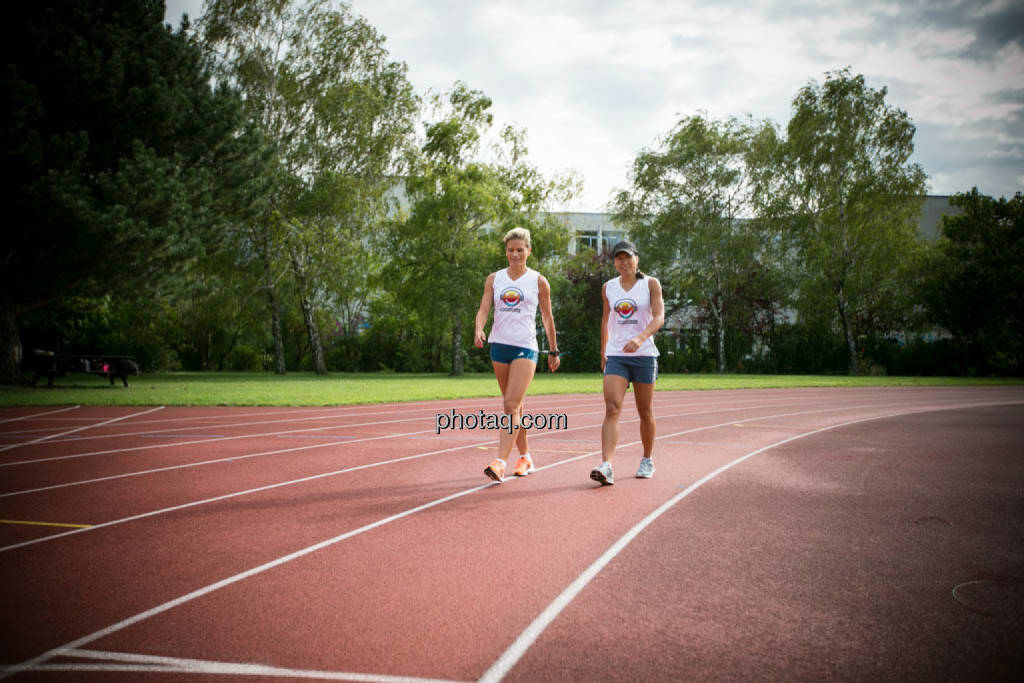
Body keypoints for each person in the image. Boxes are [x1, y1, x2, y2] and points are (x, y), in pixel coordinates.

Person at [474, 227, 560, 482]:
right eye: (511, 250)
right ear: (506, 252)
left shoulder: (538, 281)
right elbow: (483, 309)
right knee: (516, 407)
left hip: (525, 347)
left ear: (528, 251)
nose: (515, 254)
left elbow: (547, 317)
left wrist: (553, 350)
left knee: (510, 405)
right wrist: (479, 328)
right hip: (499, 346)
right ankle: (526, 457)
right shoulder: (494, 279)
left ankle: (499, 462)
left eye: (520, 250)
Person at [590, 240, 665, 485]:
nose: (624, 262)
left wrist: (641, 337)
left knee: (645, 411)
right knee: (612, 408)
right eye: (619, 259)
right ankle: (607, 465)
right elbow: (605, 320)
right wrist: (603, 352)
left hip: (644, 355)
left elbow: (659, 317)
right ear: (614, 262)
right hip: (617, 356)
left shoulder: (650, 284)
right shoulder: (608, 287)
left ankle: (647, 459)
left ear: (636, 259)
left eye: (628, 258)